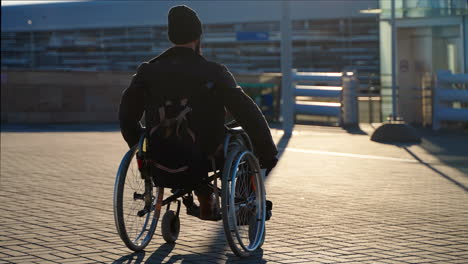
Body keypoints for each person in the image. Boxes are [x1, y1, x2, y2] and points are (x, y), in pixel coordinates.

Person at [119, 5, 278, 220]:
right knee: (240, 140)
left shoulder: (147, 71)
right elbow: (247, 111)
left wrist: (138, 143)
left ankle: (204, 198)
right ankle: (245, 203)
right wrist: (267, 152)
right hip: (206, 155)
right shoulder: (213, 71)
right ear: (198, 37)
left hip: (158, 153)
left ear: (171, 35)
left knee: (186, 144)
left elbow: (127, 115)